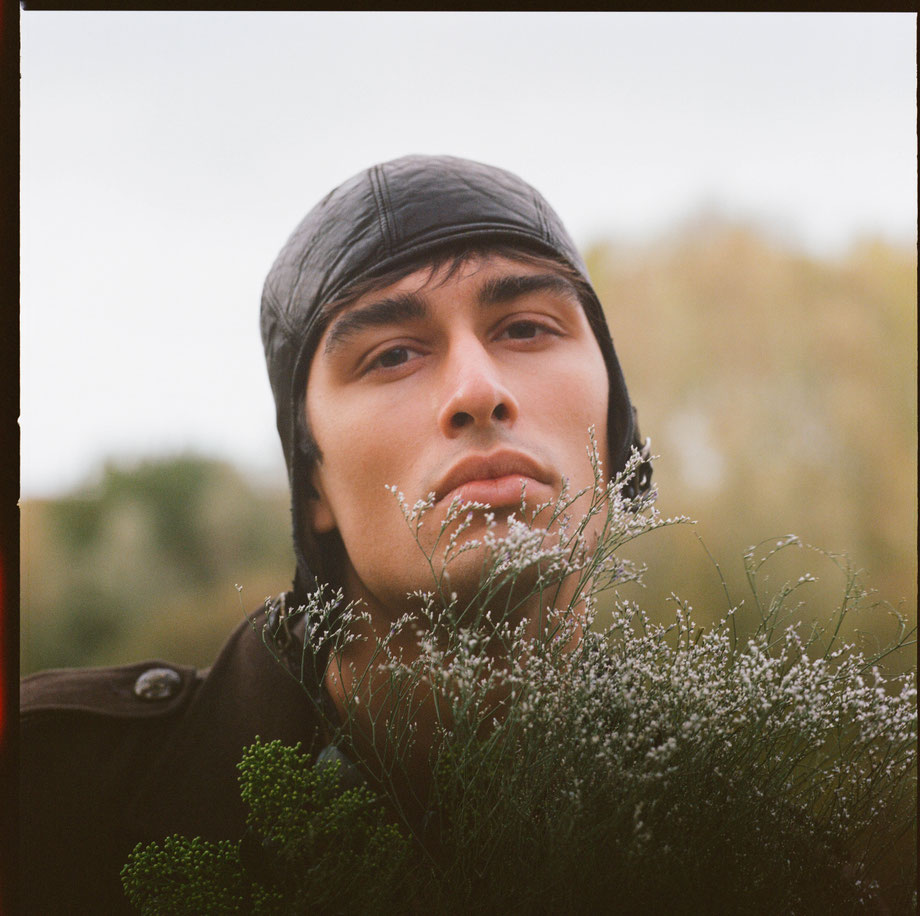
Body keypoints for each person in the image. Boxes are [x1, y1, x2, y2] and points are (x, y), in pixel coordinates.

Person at [19, 154, 650, 913]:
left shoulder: (773, 846)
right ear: (311, 479)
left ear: (614, 428)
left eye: (524, 328)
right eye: (392, 355)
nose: (479, 391)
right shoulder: (34, 805)